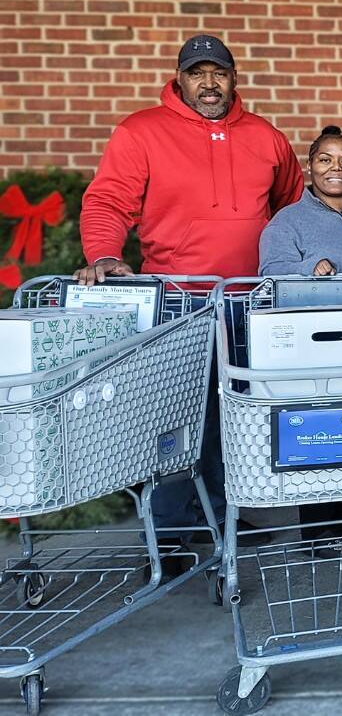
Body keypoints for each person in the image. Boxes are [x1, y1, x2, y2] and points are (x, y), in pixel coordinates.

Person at [75, 34, 303, 555]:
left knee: (233, 416)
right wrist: (105, 255)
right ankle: (173, 535)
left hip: (250, 301)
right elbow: (108, 201)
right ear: (179, 79)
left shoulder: (266, 137)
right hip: (179, 302)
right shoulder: (142, 132)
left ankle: (224, 517)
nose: (208, 83)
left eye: (218, 73)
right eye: (197, 73)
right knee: (173, 419)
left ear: (233, 79)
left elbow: (292, 207)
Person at [258, 125, 342, 555]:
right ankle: (318, 531)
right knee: (324, 431)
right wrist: (308, 269)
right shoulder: (289, 221)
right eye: (325, 160)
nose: (336, 168)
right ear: (310, 168)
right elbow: (268, 274)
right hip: (316, 347)